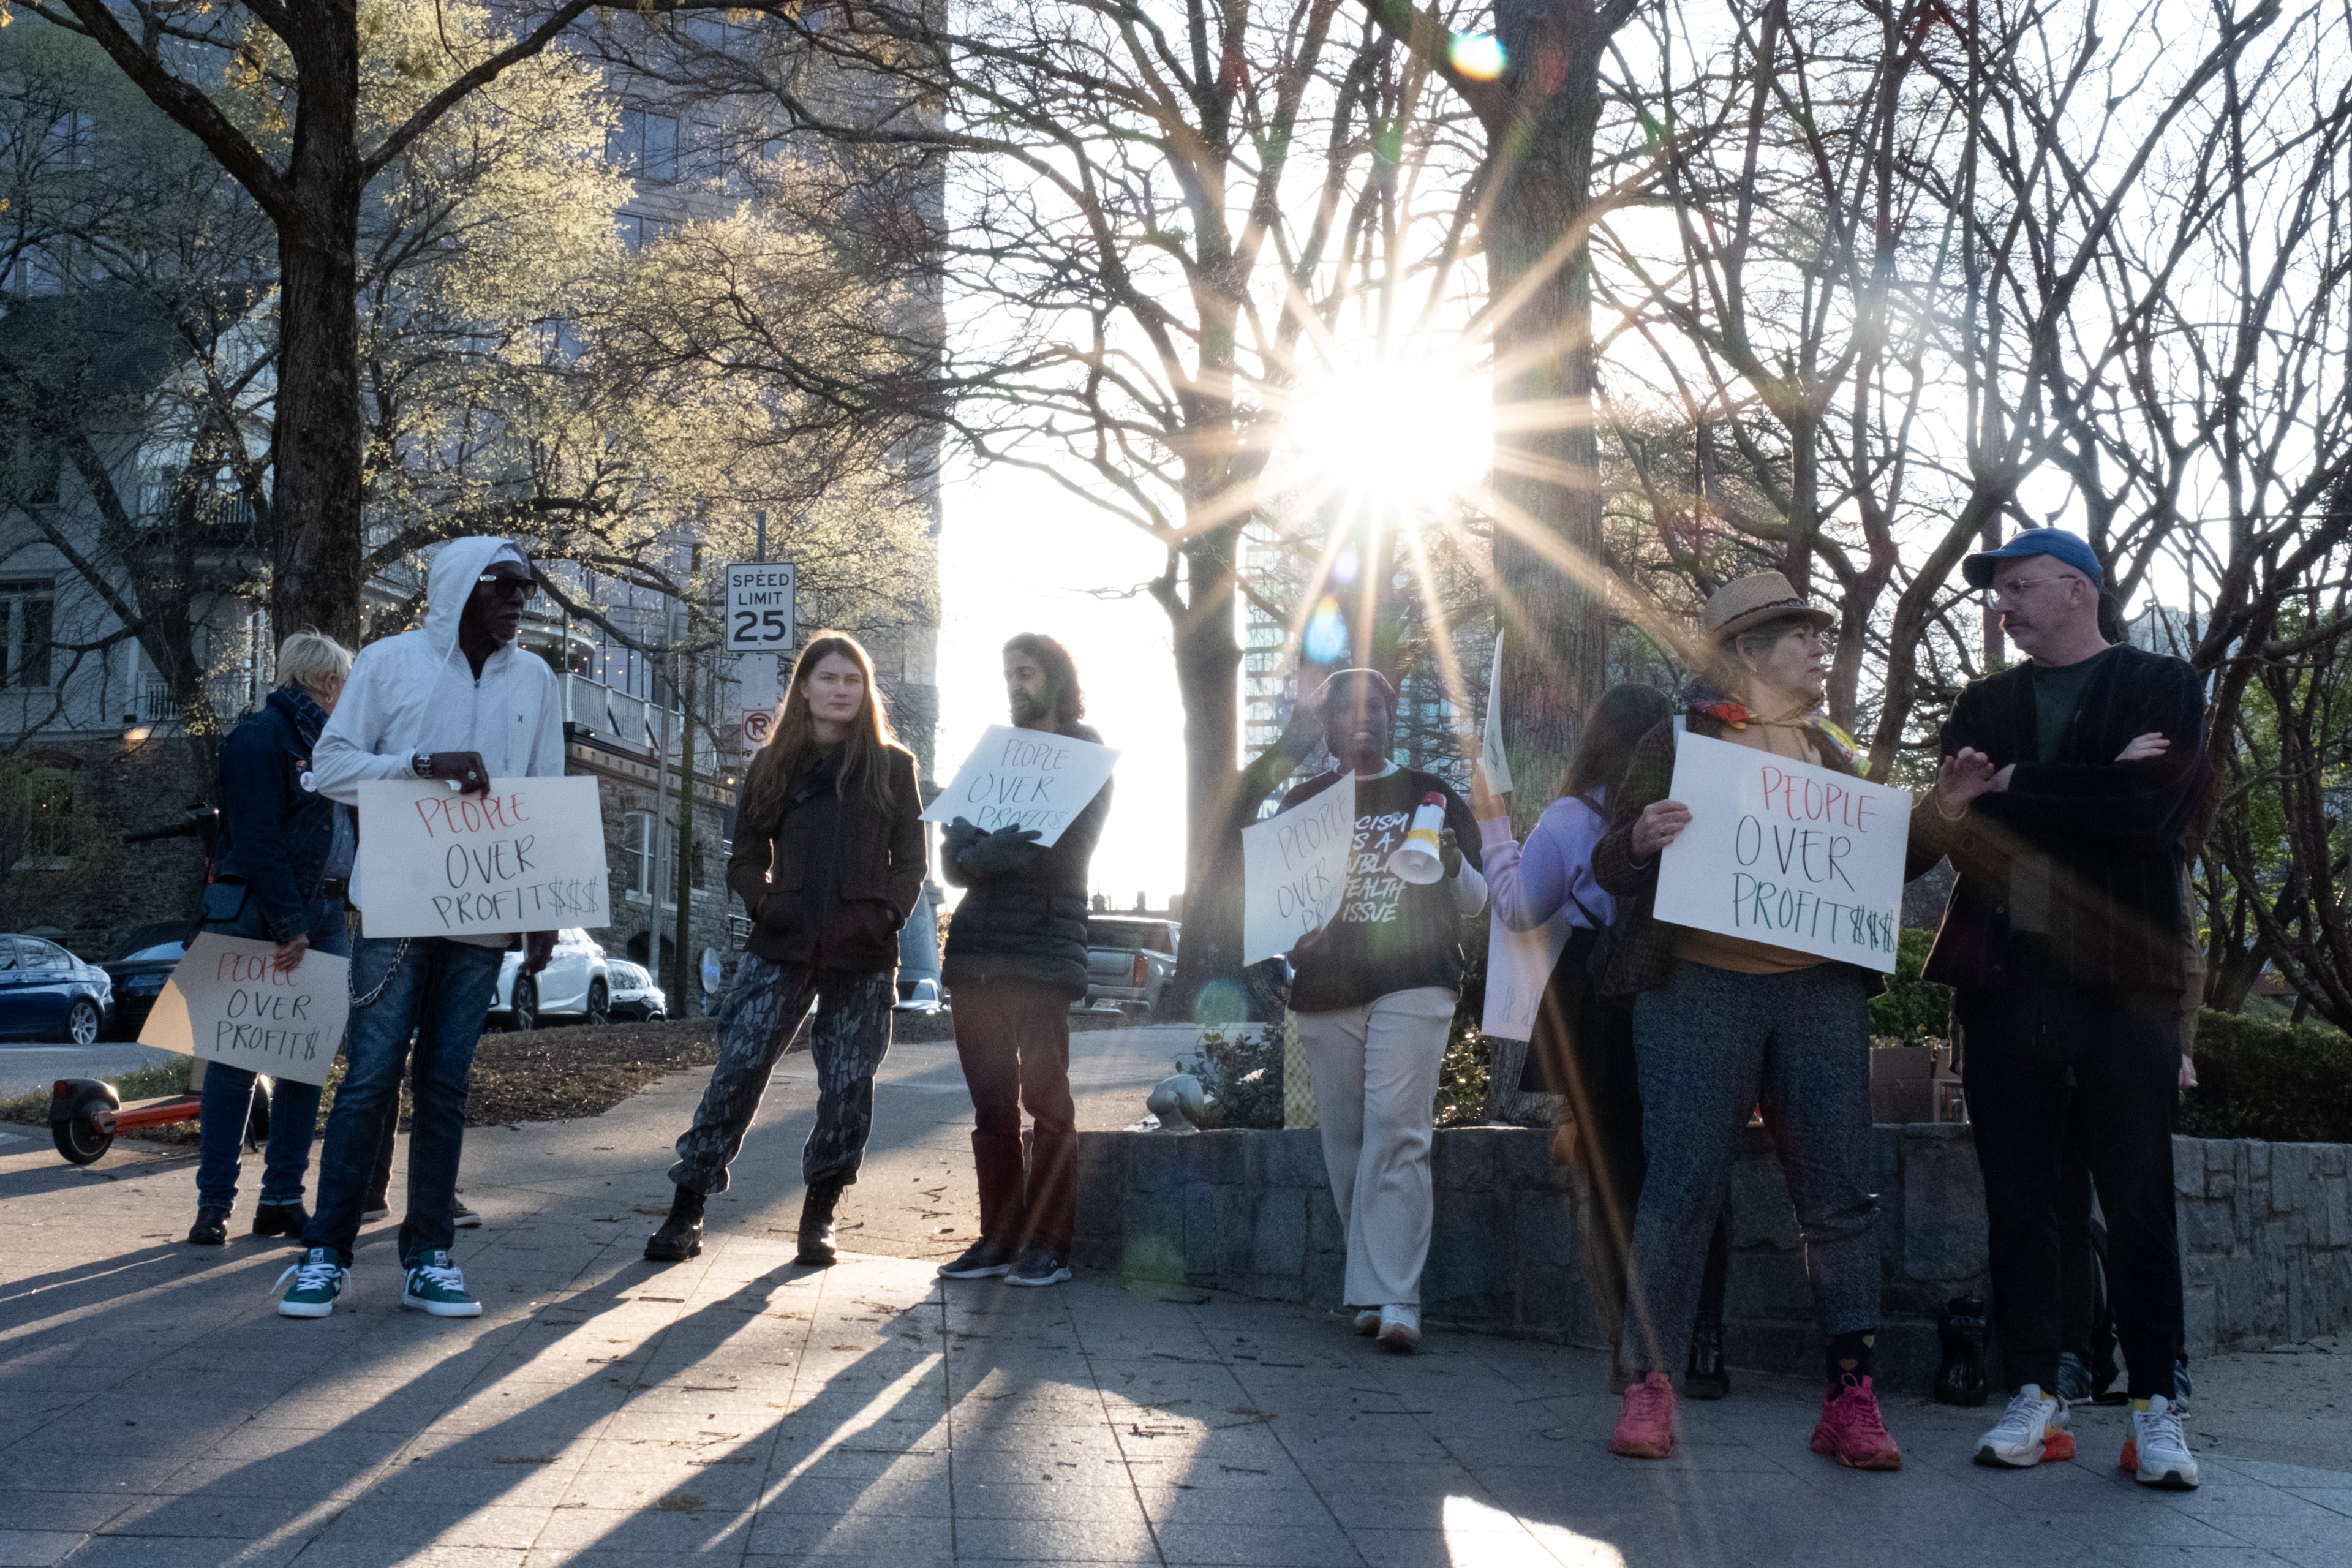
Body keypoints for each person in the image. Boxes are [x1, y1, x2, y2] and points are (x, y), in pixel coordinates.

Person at [1592, 570, 1929, 1470]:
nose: (1822, 646)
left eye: (1821, 634)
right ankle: (1648, 1388)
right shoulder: (1676, 738)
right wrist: (1637, 840)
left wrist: (1953, 809)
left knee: (1839, 1196)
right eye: (1800, 634)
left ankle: (1852, 1401)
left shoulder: (1833, 750)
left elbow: (1880, 862)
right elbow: (1611, 866)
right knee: (1682, 1187)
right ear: (1746, 651)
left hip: (1818, 992)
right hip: (1698, 987)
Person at [1921, 528, 2209, 1489]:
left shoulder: (2164, 684)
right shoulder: (1984, 703)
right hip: (2006, 977)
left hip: (2127, 980)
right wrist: (2000, 800)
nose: (2002, 604)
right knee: (2020, 1196)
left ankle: (2155, 1405)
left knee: (2135, 1196)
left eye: (2019, 585)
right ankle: (2036, 1394)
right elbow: (1963, 838)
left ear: (2078, 590)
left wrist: (2014, 786)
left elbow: (2150, 817)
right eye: (1996, 591)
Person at [277, 537, 563, 1320]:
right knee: (371, 1076)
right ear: (461, 588)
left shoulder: (535, 680)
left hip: (482, 913)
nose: (519, 600)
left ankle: (430, 1254)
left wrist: (543, 909)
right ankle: (325, 1253)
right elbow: (329, 768)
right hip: (395, 908)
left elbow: (541, 790)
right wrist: (416, 764)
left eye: (527, 588)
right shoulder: (388, 664)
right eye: (504, 585)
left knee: (445, 1083)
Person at [1470, 683, 1735, 1398]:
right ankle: (1705, 1346)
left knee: (1615, 1173)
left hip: (1599, 995)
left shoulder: (1570, 815)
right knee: (1696, 1169)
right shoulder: (1701, 806)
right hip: (1692, 981)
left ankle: (1634, 1347)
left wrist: (1496, 834)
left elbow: (1522, 907)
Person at [645, 633, 925, 1267]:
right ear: (804, 688)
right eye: (828, 678)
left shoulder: (894, 767)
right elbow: (744, 857)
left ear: (866, 690)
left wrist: (885, 915)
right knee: (738, 1067)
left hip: (863, 949)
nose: (840, 690)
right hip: (784, 940)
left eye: (852, 680)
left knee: (849, 1082)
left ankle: (820, 1211)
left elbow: (911, 864)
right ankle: (687, 1206)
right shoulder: (772, 765)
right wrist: (767, 905)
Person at [1281, 668, 1488, 1354]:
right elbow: (1276, 902)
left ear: (1393, 715)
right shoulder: (1304, 799)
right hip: (1325, 986)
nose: (1364, 716)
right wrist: (1289, 944)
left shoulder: (1429, 792)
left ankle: (1399, 1298)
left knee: (1397, 1131)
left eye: (1378, 704)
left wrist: (1455, 861)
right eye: (1348, 707)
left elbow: (1476, 901)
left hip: (1415, 978)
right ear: (1329, 722)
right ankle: (1370, 1288)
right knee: (1346, 1141)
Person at [935, 634, 1112, 1289]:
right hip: (977, 951)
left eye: (1026, 672)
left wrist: (987, 849)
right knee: (991, 1108)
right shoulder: (993, 759)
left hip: (1041, 949)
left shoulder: (1084, 752)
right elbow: (951, 862)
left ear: (1056, 676)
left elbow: (1062, 850)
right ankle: (998, 1236)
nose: (1014, 684)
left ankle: (1050, 1243)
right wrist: (989, 850)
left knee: (1047, 1100)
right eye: (1007, 673)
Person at [185, 631, 358, 1247]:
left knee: (304, 1063)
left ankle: (283, 1196)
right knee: (234, 1063)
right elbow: (256, 839)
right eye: (345, 681)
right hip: (265, 916)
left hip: (323, 913)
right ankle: (215, 1204)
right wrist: (293, 926)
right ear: (327, 683)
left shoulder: (332, 743)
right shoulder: (260, 738)